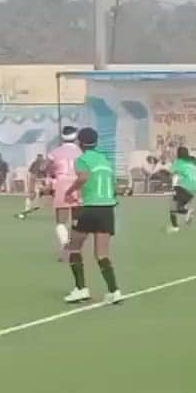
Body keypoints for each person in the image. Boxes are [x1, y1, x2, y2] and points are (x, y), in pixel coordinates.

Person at [62, 127, 123, 305]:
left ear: (79, 143)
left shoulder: (82, 159)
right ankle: (114, 291)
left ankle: (81, 289)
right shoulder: (104, 160)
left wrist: (70, 191)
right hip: (107, 208)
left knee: (73, 247)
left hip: (90, 207)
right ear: (96, 142)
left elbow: (83, 177)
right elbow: (113, 185)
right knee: (102, 254)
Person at [47, 127, 83, 258]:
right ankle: (75, 247)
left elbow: (46, 168)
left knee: (61, 221)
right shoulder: (81, 152)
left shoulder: (55, 152)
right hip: (78, 185)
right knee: (77, 219)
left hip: (62, 184)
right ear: (76, 137)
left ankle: (65, 245)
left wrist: (53, 175)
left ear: (62, 137)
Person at [168, 146, 196, 233]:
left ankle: (176, 226)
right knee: (177, 207)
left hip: (183, 187)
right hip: (193, 189)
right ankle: (186, 214)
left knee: (173, 207)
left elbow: (171, 173)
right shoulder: (192, 163)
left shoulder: (178, 162)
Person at [16, 154, 49, 219]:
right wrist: (33, 178)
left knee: (40, 195)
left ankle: (36, 205)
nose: (39, 158)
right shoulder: (34, 163)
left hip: (42, 181)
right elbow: (31, 172)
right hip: (36, 180)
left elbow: (45, 173)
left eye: (40, 157)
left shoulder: (45, 164)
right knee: (32, 195)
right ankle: (27, 208)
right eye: (38, 157)